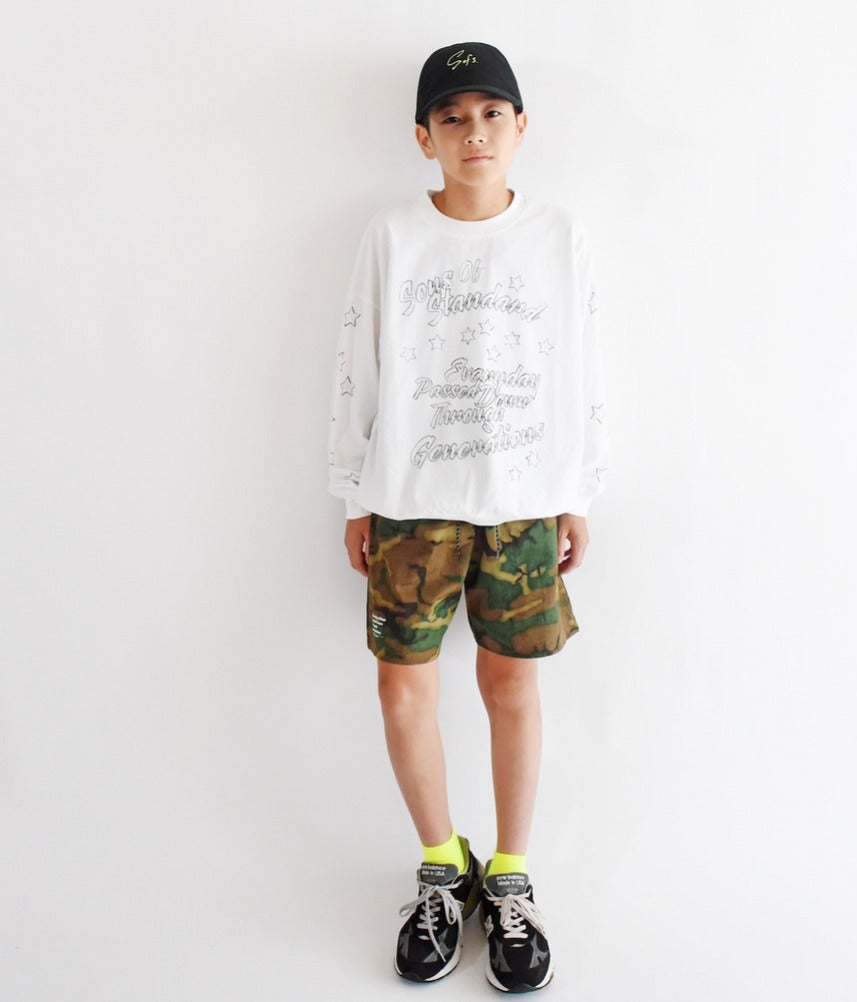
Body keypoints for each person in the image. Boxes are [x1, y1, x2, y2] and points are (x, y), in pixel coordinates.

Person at [327, 41, 609, 993]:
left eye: (492, 114)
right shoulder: (393, 235)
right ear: (425, 137)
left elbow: (582, 363)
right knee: (402, 689)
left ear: (521, 128)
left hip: (521, 501)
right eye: (452, 117)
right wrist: (354, 490)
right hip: (411, 503)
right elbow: (359, 362)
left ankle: (512, 875)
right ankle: (443, 866)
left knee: (510, 686)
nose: (473, 132)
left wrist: (576, 490)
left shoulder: (558, 235)